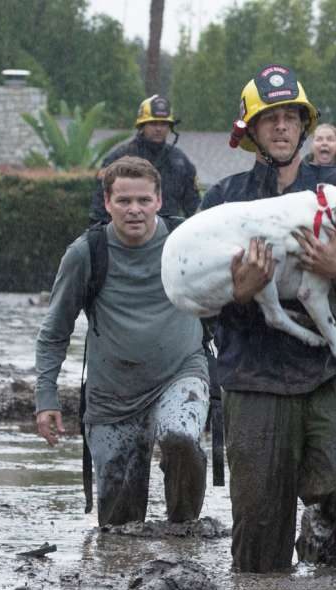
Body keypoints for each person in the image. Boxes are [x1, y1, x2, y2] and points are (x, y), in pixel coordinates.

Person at [202, 64, 336, 572]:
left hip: (327, 368)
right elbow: (199, 304)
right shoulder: (224, 200)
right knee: (259, 549)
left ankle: (325, 528)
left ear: (303, 127)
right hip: (253, 373)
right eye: (269, 118)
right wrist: (237, 293)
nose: (281, 127)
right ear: (251, 131)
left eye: (290, 117)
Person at [37, 156, 209, 526]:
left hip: (181, 373)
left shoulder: (186, 242)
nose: (135, 210)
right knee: (120, 525)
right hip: (113, 393)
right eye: (124, 201)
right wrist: (45, 397)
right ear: (107, 202)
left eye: (144, 201)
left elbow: (228, 298)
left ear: (159, 201)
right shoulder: (86, 253)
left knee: (180, 438)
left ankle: (184, 533)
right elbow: (54, 332)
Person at [90, 95, 199, 226]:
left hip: (168, 236)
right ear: (142, 126)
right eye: (153, 123)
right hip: (127, 236)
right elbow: (101, 204)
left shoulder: (180, 161)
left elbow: (194, 206)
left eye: (163, 124)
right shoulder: (118, 158)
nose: (159, 129)